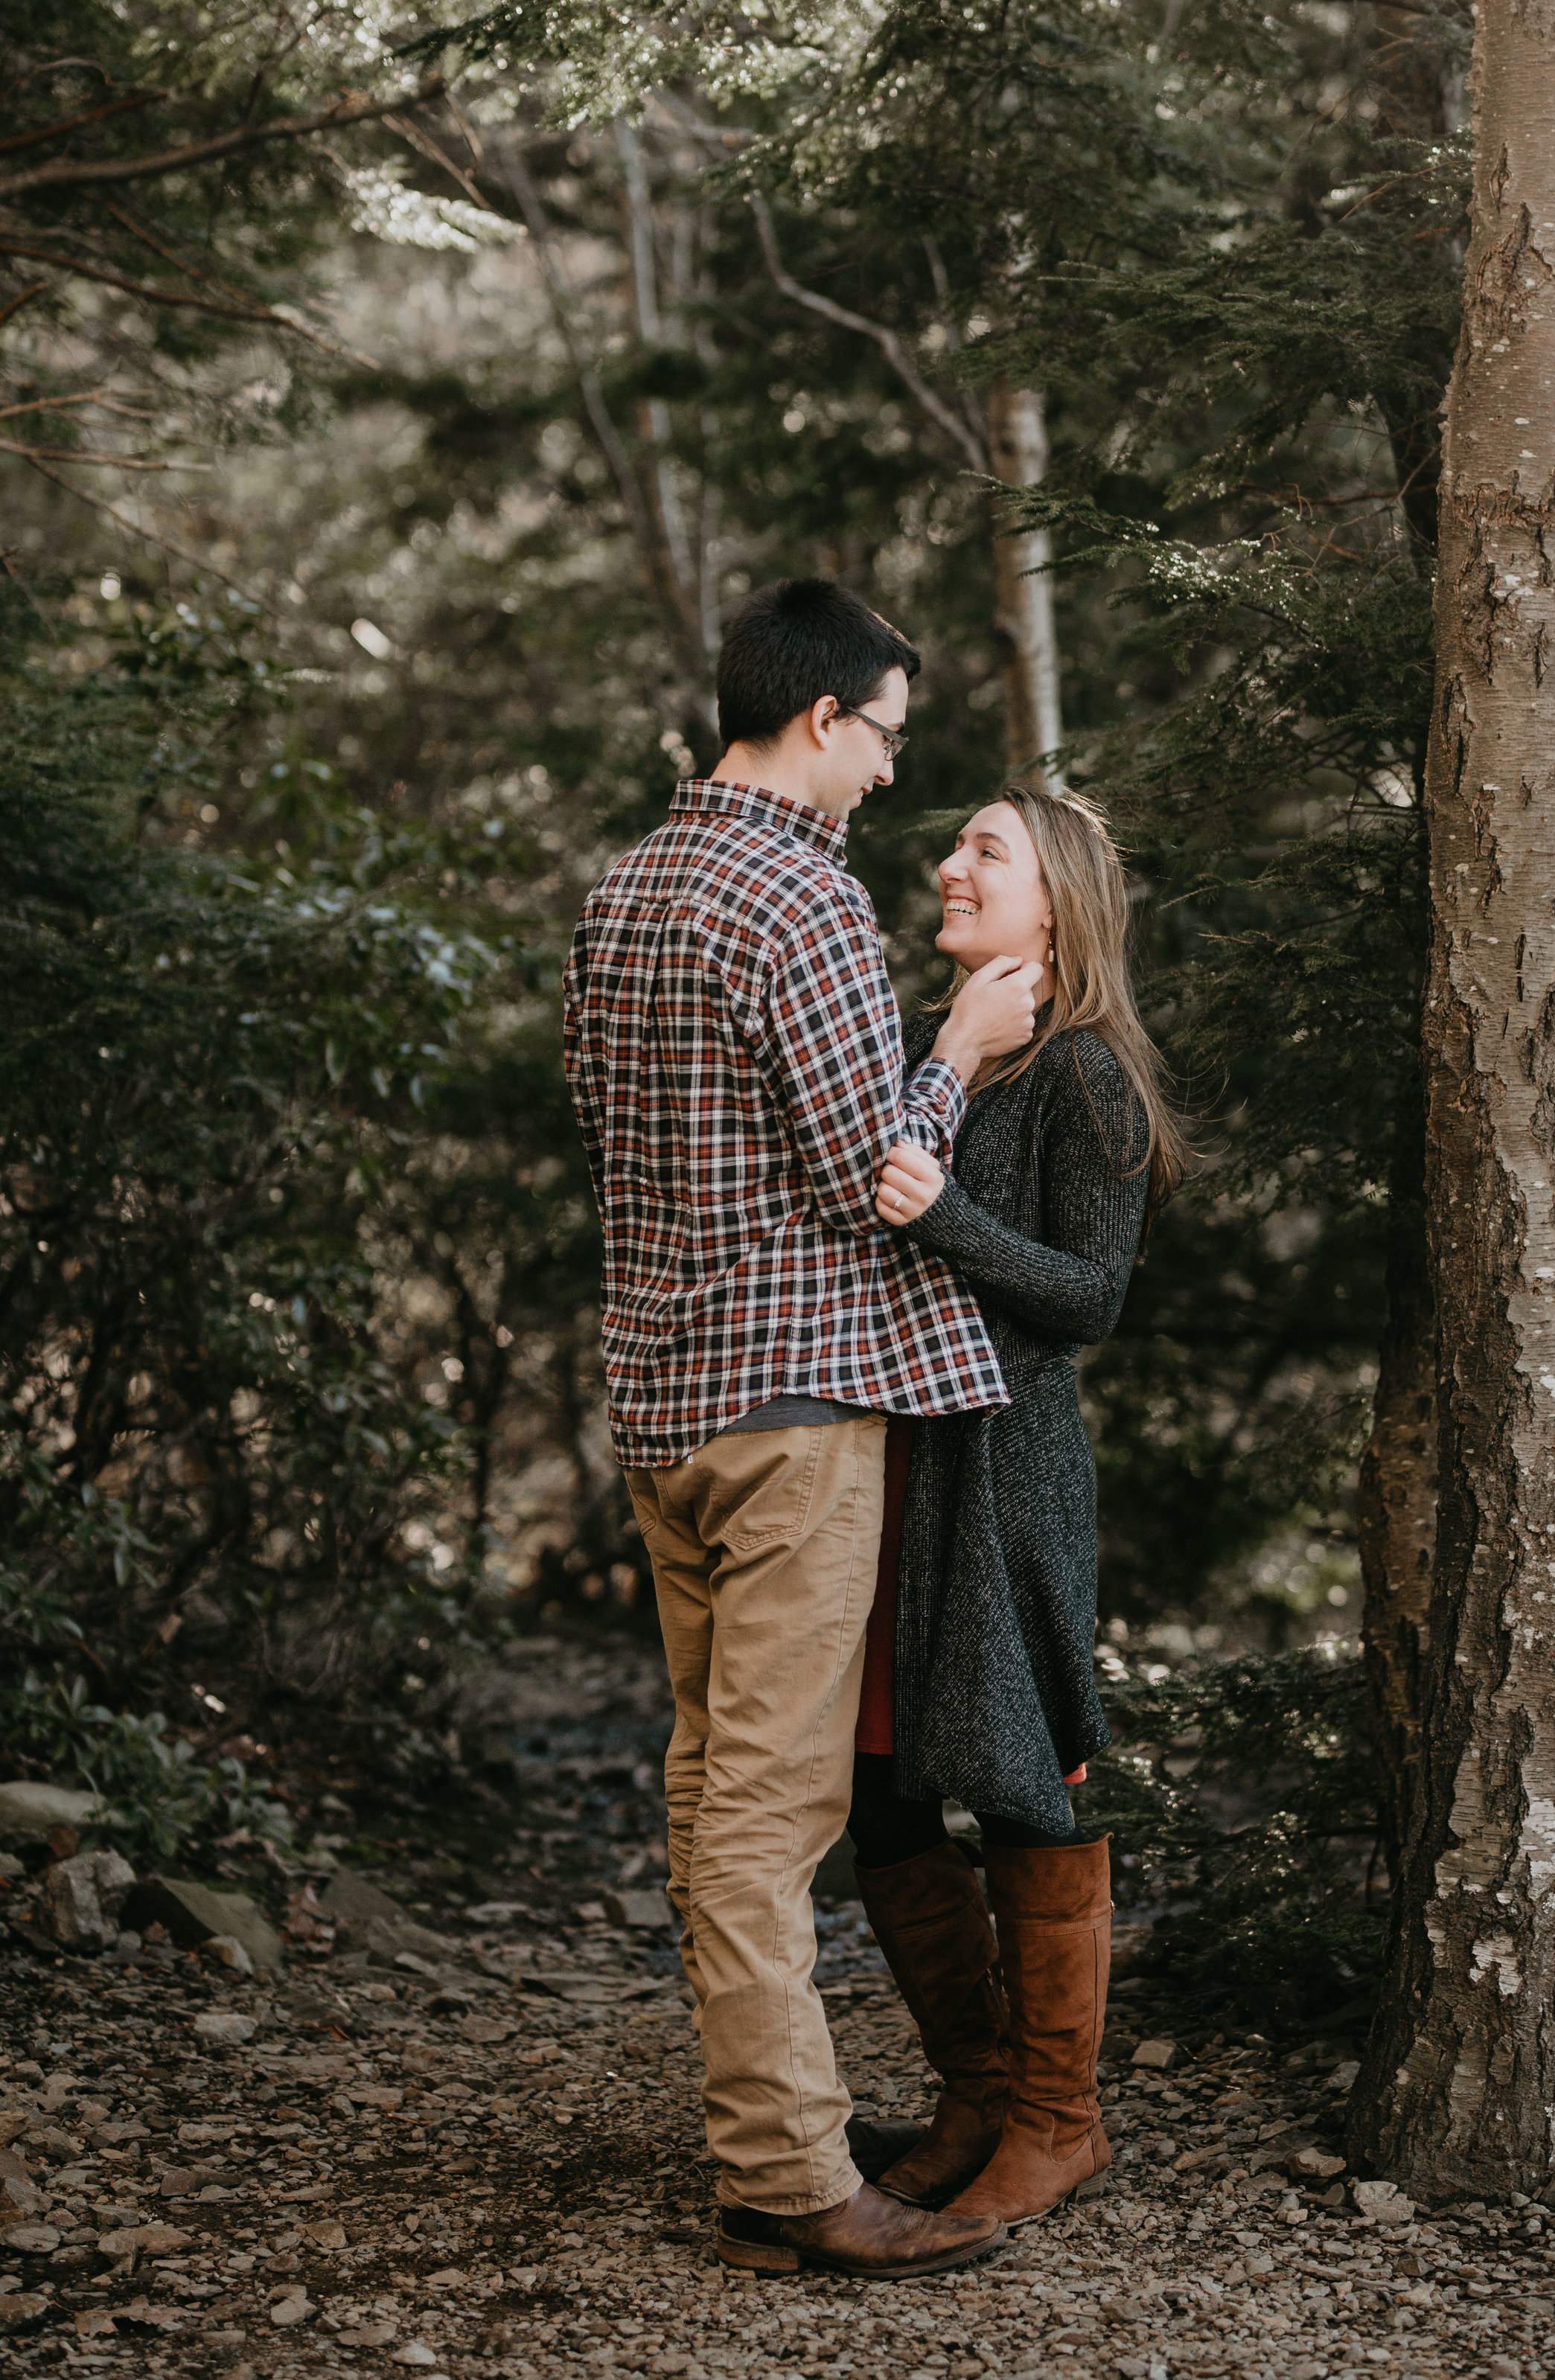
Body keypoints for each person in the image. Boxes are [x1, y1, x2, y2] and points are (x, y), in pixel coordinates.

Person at [563, 580, 1044, 2281]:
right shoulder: (804, 903)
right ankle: (784, 2185)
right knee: (767, 1822)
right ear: (823, 721)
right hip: (791, 1428)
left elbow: (619, 1142)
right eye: (889, 739)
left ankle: (763, 2131)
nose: (892, 780)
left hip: (664, 1415)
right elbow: (871, 1176)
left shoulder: (623, 892)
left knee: (712, 1805)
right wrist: (965, 1050)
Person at [852, 784, 1189, 2227]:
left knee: (1022, 1779)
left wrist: (938, 1216)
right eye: (956, 842)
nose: (947, 863)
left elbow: (1088, 1298)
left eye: (982, 849)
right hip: (896, 1465)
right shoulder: (963, 1054)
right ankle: (977, 2095)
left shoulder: (1085, 1071)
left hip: (1006, 1472)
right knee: (879, 1787)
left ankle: (1059, 2121)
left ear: (1054, 898)